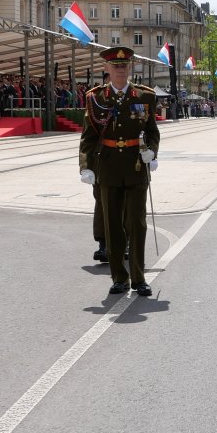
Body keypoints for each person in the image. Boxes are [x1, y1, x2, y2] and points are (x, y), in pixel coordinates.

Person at [78, 47, 160, 296]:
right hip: (109, 167)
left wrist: (152, 153)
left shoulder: (145, 97)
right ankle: (119, 278)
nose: (120, 69)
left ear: (131, 67)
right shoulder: (96, 98)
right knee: (113, 225)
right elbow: (88, 138)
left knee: (137, 224)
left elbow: (153, 131)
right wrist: (86, 166)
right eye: (116, 66)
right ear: (107, 69)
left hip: (136, 166)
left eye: (124, 65)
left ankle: (138, 277)